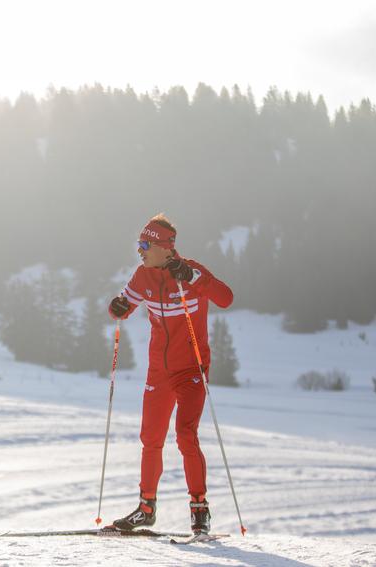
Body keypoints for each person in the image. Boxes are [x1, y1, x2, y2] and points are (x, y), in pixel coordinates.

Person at [108, 213, 233, 535]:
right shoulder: (142, 275)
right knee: (150, 437)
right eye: (138, 244)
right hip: (158, 371)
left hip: (191, 368)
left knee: (186, 435)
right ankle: (146, 509)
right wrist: (117, 308)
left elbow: (226, 298)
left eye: (145, 244)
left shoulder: (190, 272)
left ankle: (199, 509)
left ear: (166, 248)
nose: (140, 250)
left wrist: (193, 277)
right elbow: (123, 304)